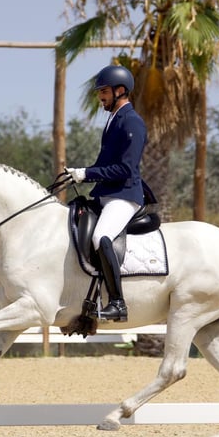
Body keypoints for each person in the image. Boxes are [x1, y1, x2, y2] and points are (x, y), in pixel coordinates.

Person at [66, 64, 152, 322]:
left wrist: (88, 174)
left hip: (125, 195)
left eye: (103, 92)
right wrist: (80, 174)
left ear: (120, 90)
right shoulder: (114, 119)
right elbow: (105, 165)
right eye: (99, 92)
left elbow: (125, 168)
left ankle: (118, 303)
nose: (100, 97)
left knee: (101, 236)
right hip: (107, 194)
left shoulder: (132, 122)